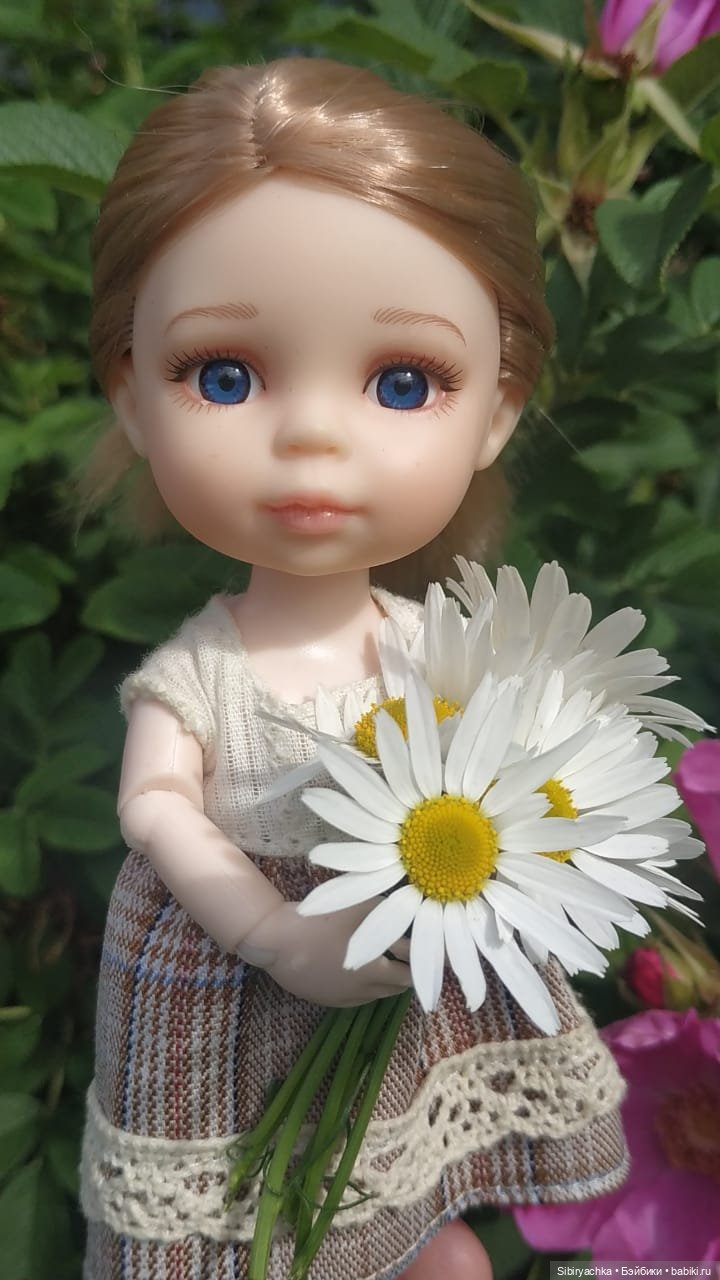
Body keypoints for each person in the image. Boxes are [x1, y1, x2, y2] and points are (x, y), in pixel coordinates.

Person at [79, 58, 628, 1280]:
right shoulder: (207, 670)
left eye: (402, 382)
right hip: (231, 990)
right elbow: (154, 804)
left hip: (412, 972)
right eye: (225, 375)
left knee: (421, 1223)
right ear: (132, 395)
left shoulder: (450, 645)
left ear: (498, 408)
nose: (314, 435)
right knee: (247, 1234)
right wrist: (275, 932)